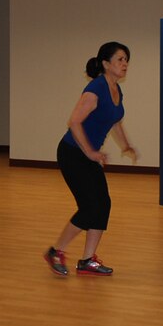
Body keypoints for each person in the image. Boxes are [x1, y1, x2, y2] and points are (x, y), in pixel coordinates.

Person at [43, 42, 138, 277]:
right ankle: (56, 252)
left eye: (126, 59)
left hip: (87, 154)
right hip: (73, 153)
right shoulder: (95, 89)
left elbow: (115, 120)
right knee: (89, 207)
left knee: (102, 204)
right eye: (120, 59)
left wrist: (125, 144)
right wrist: (90, 153)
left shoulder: (116, 89)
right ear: (106, 64)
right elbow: (74, 122)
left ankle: (87, 260)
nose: (125, 64)